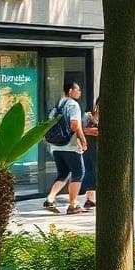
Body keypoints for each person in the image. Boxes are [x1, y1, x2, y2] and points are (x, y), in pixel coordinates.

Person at [42, 81, 88, 215]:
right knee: (78, 173)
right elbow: (75, 125)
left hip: (56, 146)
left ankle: (50, 199)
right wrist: (83, 139)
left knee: (63, 173)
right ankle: (73, 205)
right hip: (70, 146)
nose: (80, 92)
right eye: (77, 90)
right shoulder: (73, 105)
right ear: (70, 91)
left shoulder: (58, 104)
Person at [79, 98, 99, 210]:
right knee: (89, 171)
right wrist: (92, 131)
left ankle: (91, 199)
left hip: (99, 148)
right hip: (88, 148)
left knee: (94, 172)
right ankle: (89, 199)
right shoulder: (88, 116)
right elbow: (80, 129)